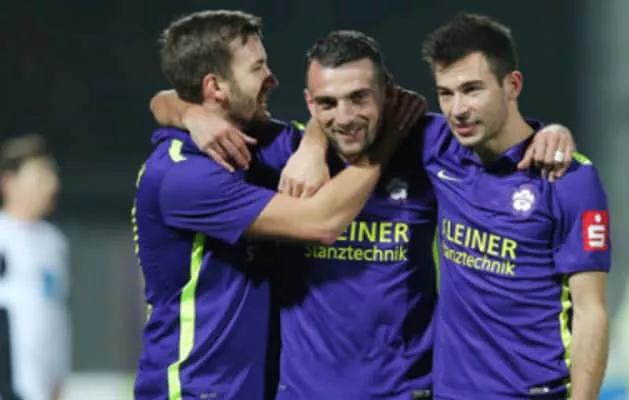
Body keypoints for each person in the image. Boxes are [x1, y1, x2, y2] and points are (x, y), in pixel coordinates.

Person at [150, 28, 578, 400]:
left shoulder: (424, 145)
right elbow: (168, 102)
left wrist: (549, 135)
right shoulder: (283, 154)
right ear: (309, 103)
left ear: (387, 94)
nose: (346, 117)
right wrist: (190, 113)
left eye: (359, 98)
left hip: (405, 390)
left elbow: (499, 139)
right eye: (327, 103)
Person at [133, 10, 421, 400]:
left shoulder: (255, 145)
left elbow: (329, 117)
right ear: (215, 87)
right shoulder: (182, 176)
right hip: (194, 390)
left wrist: (313, 145)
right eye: (257, 68)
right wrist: (383, 148)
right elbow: (321, 223)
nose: (272, 77)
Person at [418, 13, 611, 399]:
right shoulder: (436, 147)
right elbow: (354, 110)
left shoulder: (569, 179)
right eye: (446, 93)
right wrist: (312, 146)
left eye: (472, 89)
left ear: (513, 84)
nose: (457, 109)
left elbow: (591, 311)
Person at [0, 134, 70, 400]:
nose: (51, 185)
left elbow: (57, 313)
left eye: (51, 175)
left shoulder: (54, 243)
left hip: (43, 385)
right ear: (9, 183)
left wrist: (58, 374)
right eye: (39, 176)